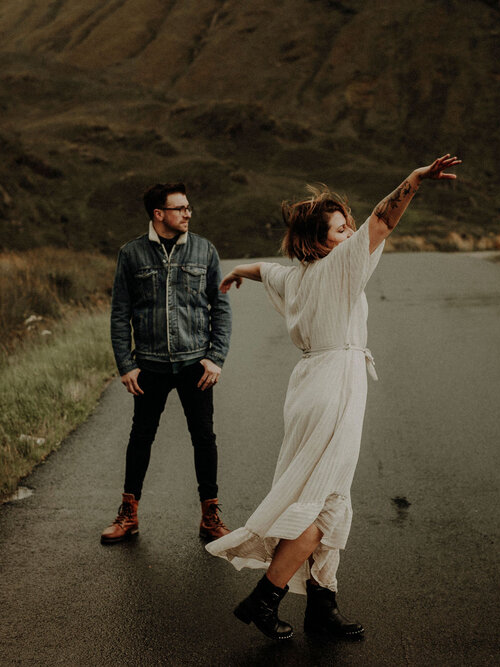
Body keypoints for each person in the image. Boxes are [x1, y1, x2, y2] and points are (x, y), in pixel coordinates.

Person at [205, 155, 461, 639]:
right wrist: (413, 181)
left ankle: (322, 608)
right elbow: (383, 220)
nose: (349, 236)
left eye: (348, 228)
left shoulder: (296, 276)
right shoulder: (341, 267)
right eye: (339, 229)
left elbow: (266, 269)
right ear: (317, 241)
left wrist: (238, 270)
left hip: (309, 385)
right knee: (323, 504)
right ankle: (265, 598)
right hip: (336, 387)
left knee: (329, 496)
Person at [102, 182, 233, 545]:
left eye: (189, 207)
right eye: (180, 208)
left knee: (204, 438)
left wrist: (215, 358)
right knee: (140, 438)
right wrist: (126, 364)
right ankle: (129, 515)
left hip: (195, 363)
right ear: (159, 214)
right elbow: (120, 313)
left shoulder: (205, 250)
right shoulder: (131, 254)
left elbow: (220, 307)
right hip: (150, 365)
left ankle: (210, 516)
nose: (188, 213)